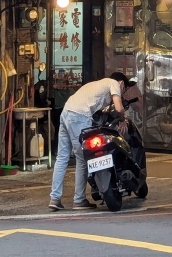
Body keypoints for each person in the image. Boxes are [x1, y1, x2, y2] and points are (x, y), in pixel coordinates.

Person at [49, 72, 135, 211]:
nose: (121, 93)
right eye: (123, 89)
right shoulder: (114, 83)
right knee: (83, 158)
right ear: (121, 83)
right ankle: (79, 200)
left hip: (66, 112)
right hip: (79, 116)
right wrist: (122, 120)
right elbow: (119, 108)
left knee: (62, 157)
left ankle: (55, 198)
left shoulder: (95, 84)